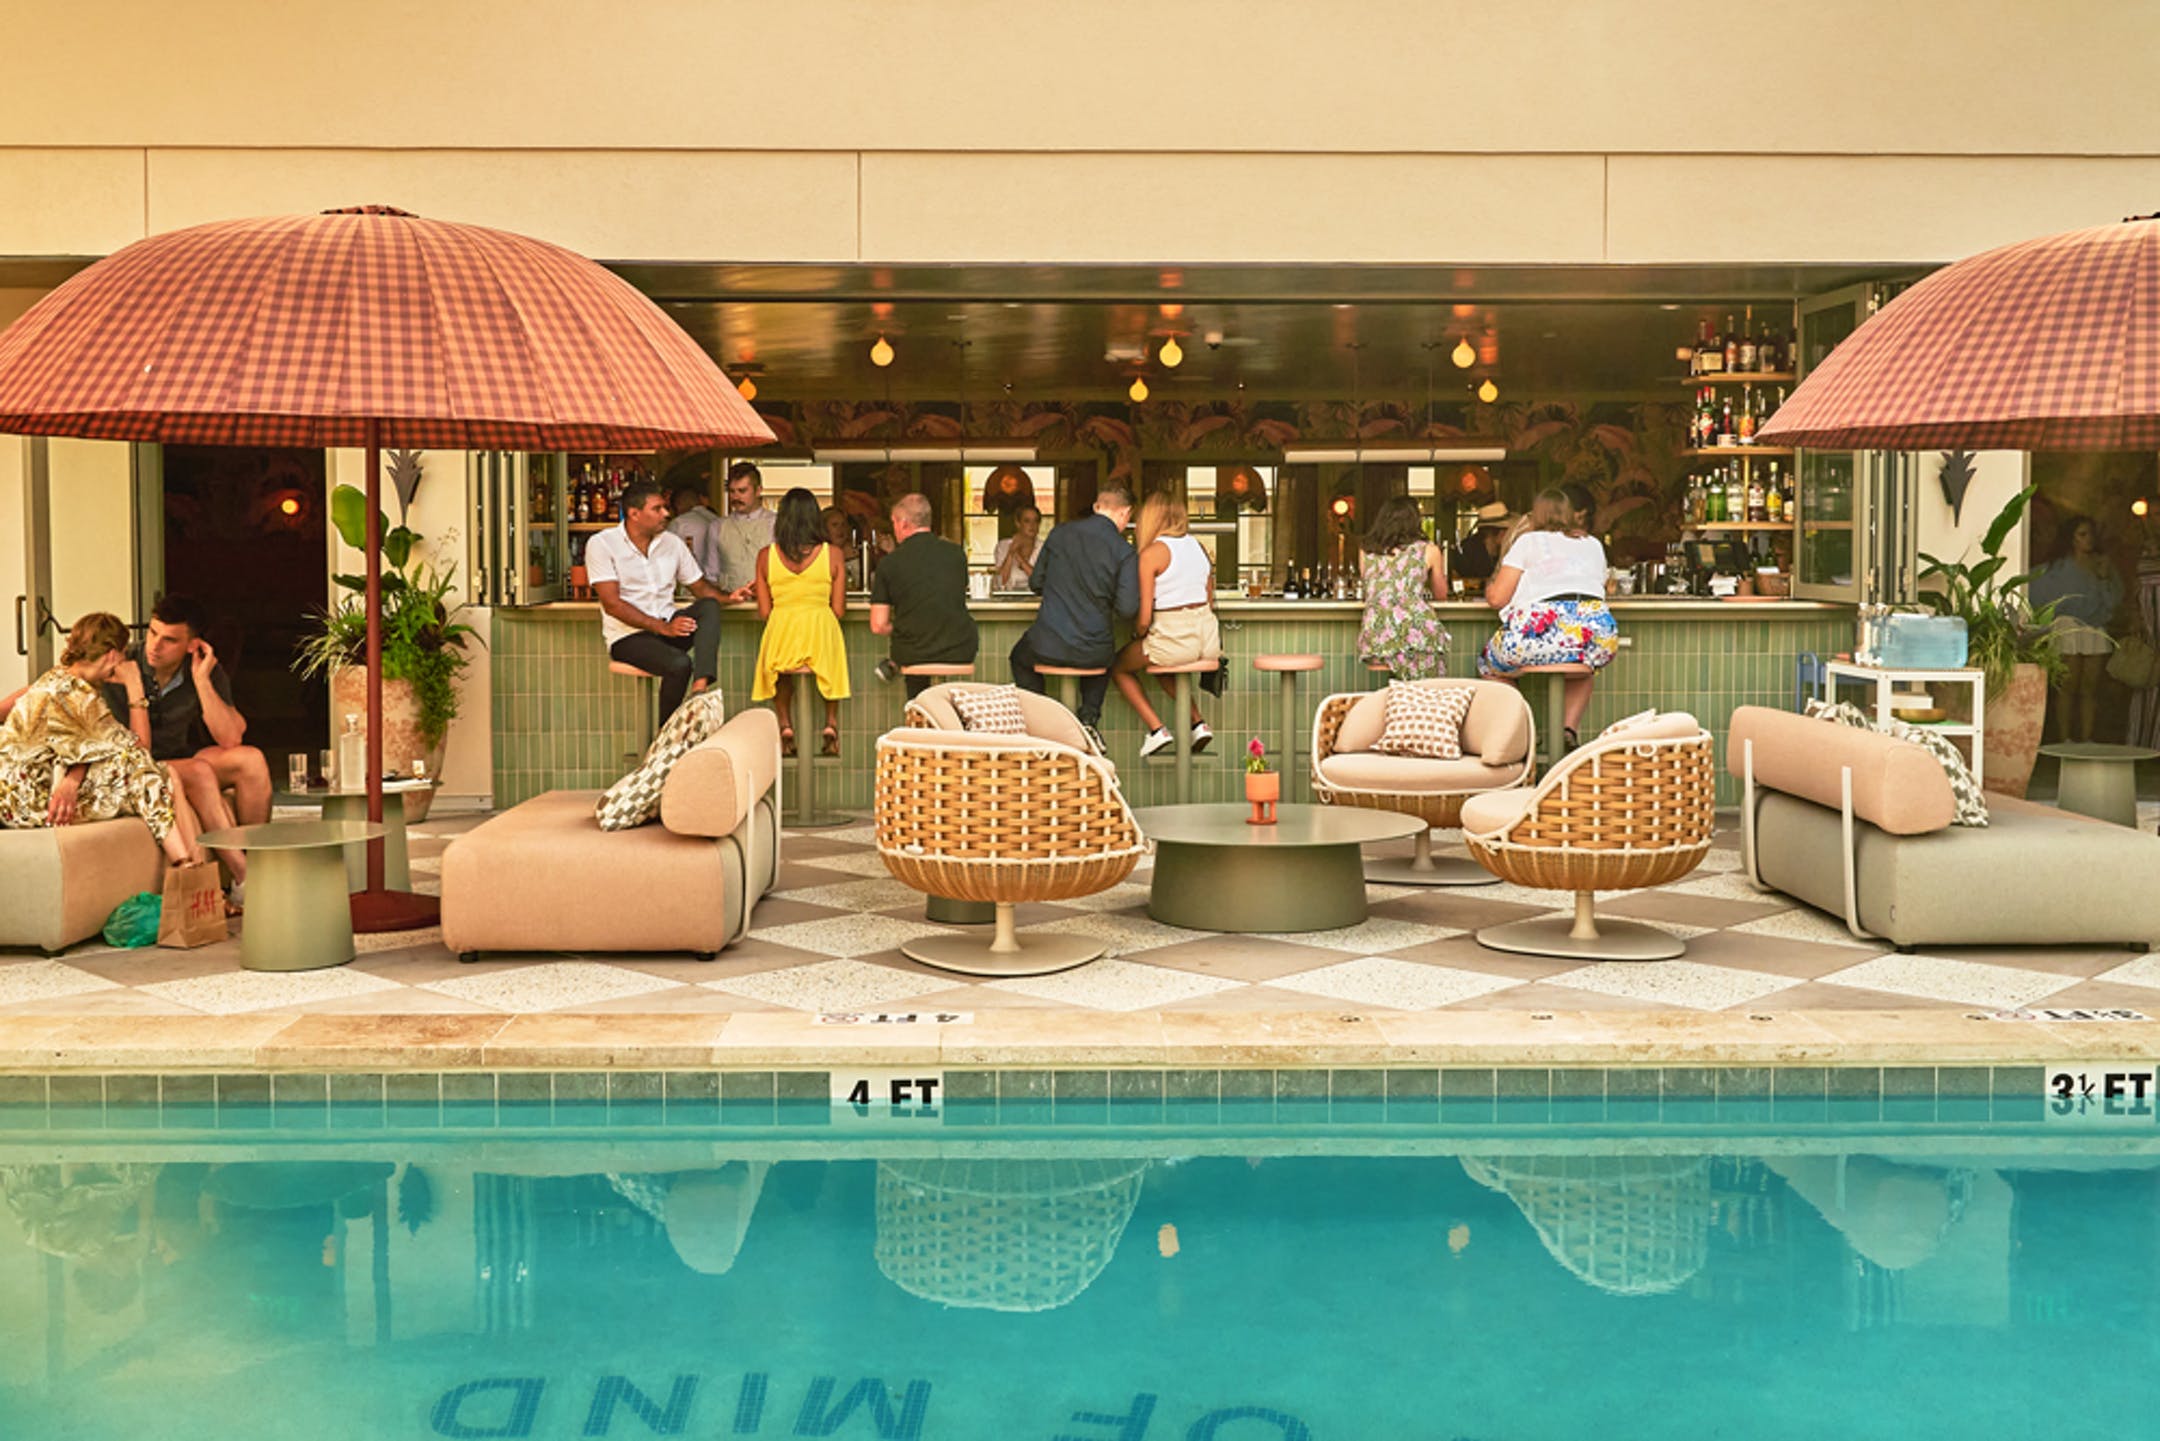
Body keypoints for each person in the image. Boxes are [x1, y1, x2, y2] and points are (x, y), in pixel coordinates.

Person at [0, 612, 206, 870]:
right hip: (32, 803)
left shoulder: (64, 681)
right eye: (122, 654)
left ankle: (190, 866)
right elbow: (139, 748)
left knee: (162, 775)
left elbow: (93, 747)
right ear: (111, 654)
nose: (123, 662)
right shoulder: (75, 694)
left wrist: (72, 780)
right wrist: (134, 685)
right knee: (148, 773)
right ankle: (189, 868)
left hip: (31, 792)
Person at [100, 594, 271, 838]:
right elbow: (66, 676)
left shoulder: (203, 668)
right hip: (129, 766)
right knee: (196, 770)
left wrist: (202, 681)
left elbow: (231, 738)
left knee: (251, 760)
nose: (155, 646)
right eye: (152, 633)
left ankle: (257, 861)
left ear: (192, 645)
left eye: (169, 640)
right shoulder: (123, 660)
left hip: (176, 760)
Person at [1478, 487, 1619, 750]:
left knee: (1487, 665)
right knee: (1584, 668)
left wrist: (1489, 587)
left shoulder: (1528, 542)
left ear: (1535, 516)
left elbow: (1497, 598)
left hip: (1539, 633)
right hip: (1596, 636)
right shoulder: (1593, 544)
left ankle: (1527, 730)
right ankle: (1568, 730)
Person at [587, 479, 729, 723]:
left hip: (667, 628)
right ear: (634, 514)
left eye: (665, 507)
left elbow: (700, 588)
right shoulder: (601, 544)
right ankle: (665, 736)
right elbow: (612, 604)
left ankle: (700, 687)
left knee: (708, 607)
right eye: (657, 509)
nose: (666, 513)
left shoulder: (672, 543)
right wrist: (663, 627)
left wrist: (730, 597)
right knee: (679, 664)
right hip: (628, 637)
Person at [1011, 486, 1139, 743]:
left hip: (1047, 643)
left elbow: (1036, 582)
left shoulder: (1060, 533)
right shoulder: (1123, 551)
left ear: (1096, 507)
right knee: (1104, 657)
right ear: (1125, 513)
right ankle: (1088, 719)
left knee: (1019, 657)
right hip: (1094, 649)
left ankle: (1043, 722)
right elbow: (1127, 609)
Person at [1113, 494, 1220, 755]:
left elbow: (1145, 617)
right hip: (1207, 641)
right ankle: (1198, 723)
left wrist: (1138, 633)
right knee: (1164, 664)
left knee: (1118, 667)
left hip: (1173, 640)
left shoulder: (1152, 554)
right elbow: (1209, 599)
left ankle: (1156, 730)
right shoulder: (1199, 547)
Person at [751, 487, 850, 756]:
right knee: (829, 669)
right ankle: (830, 722)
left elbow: (764, 611)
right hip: (820, 629)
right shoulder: (833, 554)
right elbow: (838, 610)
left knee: (782, 674)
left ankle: (785, 723)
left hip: (781, 630)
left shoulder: (764, 556)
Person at [869, 492, 977, 698]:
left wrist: (902, 625)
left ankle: (920, 718)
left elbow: (878, 625)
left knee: (912, 650)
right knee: (920, 642)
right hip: (961, 648)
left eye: (893, 522)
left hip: (913, 652)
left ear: (903, 523)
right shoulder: (956, 554)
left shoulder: (890, 563)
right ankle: (944, 718)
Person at [2031, 514, 2126, 743]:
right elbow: (2034, 590)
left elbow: (2115, 599)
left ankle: (2087, 739)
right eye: (2082, 534)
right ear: (2071, 538)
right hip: (2068, 626)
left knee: (2090, 688)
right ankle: (2065, 739)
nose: (2089, 539)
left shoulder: (2102, 565)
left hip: (2095, 628)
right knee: (2067, 686)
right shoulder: (2057, 568)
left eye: (2091, 533)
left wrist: (2104, 578)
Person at [1357, 494, 1451, 680]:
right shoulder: (1429, 550)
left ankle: (1402, 702)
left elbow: (1371, 589)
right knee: (1428, 677)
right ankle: (1419, 704)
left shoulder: (1365, 551)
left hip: (1376, 637)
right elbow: (1442, 595)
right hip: (1416, 631)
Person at [711, 461, 777, 601]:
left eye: (742, 491)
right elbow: (711, 573)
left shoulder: (776, 523)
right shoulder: (717, 526)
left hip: (770, 603)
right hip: (730, 605)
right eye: (732, 491)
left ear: (758, 490)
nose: (736, 497)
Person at [667, 479, 724, 586]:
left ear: (678, 505)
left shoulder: (678, 523)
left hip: (690, 584)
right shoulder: (718, 520)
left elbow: (667, 556)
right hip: (719, 583)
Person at [1451, 502, 1510, 584]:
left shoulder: (1508, 549)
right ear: (1496, 532)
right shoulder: (1466, 550)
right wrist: (1480, 582)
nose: (1508, 534)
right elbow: (1455, 579)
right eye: (1505, 530)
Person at [992, 504, 1045, 590]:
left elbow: (1039, 581)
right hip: (1007, 600)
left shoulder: (1043, 547)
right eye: (1027, 521)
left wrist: (1019, 557)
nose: (1032, 525)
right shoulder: (1003, 546)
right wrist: (1011, 552)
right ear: (1018, 523)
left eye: (1036, 521)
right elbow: (1001, 582)